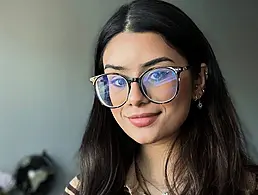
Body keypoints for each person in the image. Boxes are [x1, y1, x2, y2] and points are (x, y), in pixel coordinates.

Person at [63, 0, 258, 194]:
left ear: (198, 80)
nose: (135, 98)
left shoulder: (248, 187)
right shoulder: (85, 189)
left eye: (157, 74)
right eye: (116, 79)